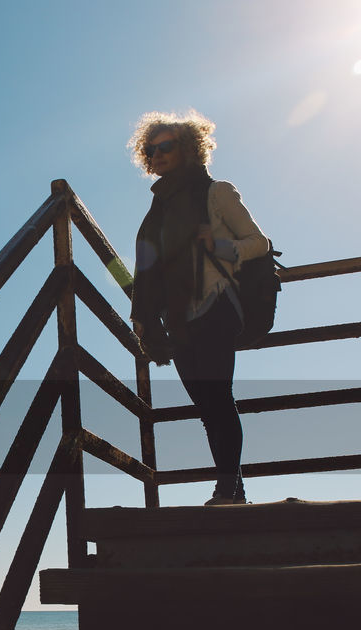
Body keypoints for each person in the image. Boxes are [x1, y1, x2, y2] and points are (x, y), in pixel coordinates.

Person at [127, 110, 270, 506]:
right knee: (206, 407)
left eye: (166, 146)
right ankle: (234, 488)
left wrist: (220, 247)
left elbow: (260, 243)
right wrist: (143, 316)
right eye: (151, 149)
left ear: (189, 148)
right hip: (178, 319)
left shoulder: (216, 193)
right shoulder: (157, 212)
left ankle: (227, 489)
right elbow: (147, 267)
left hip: (216, 303)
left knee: (218, 397)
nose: (158, 154)